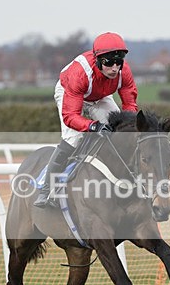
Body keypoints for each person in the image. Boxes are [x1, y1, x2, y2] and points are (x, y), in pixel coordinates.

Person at [33, 32, 138, 208]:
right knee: (73, 138)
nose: (114, 68)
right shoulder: (80, 73)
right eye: (109, 62)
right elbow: (70, 116)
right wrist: (93, 126)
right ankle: (46, 189)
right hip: (70, 92)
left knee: (119, 133)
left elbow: (130, 106)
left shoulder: (124, 72)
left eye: (118, 62)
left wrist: (129, 129)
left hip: (100, 96)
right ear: (98, 60)